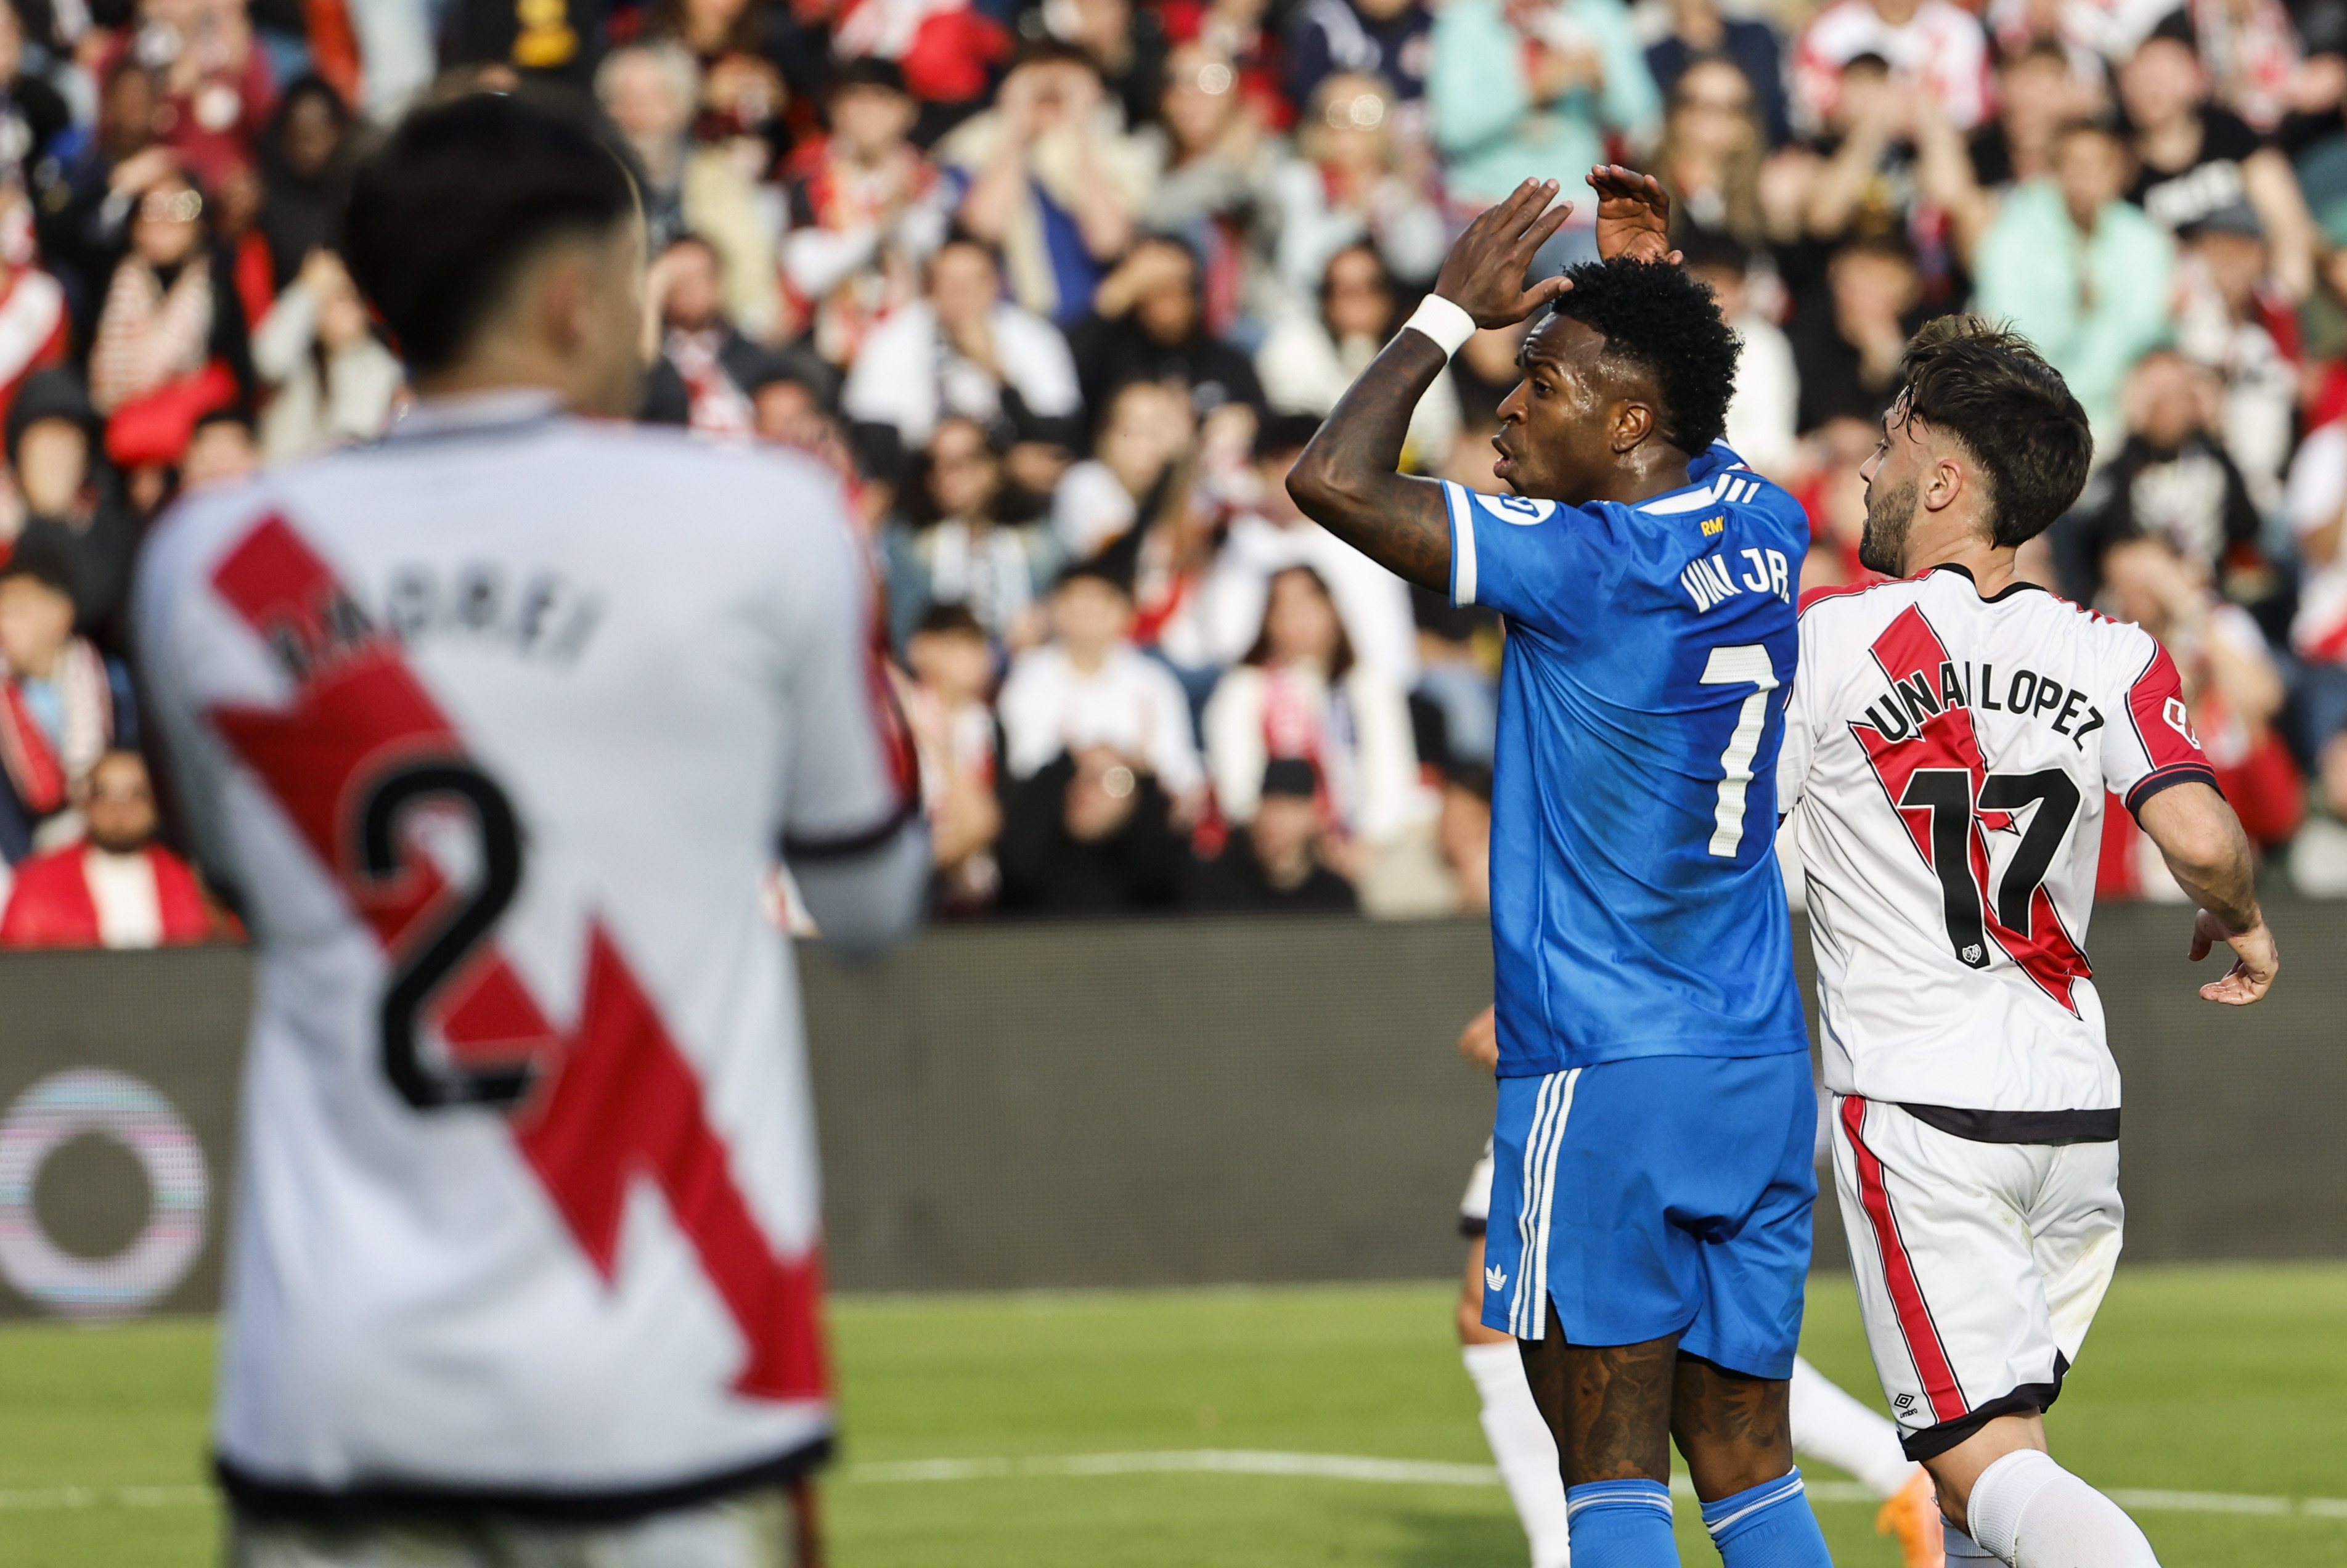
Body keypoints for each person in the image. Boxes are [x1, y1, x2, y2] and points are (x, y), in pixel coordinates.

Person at [132, 91, 926, 1565]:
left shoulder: (212, 561)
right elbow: (872, 899)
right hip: (658, 1378)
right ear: (577, 297)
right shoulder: (763, 524)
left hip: (329, 1390)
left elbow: (246, 878)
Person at [1286, 168, 1832, 1565]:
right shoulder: (1765, 529)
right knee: (1753, 1472)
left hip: (1606, 1067)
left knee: (1608, 1474)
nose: (1506, 407)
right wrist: (1636, 282)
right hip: (1757, 1063)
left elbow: (1331, 477)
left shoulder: (1576, 563)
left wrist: (1438, 315)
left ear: (1632, 423)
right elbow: (1683, 406)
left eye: (1540, 386)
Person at [1778, 315, 2278, 1566]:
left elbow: (1717, 845)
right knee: (1982, 1495)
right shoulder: (2105, 650)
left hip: (1918, 1109)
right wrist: (2242, 924)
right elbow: (2206, 839)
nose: (1865, 471)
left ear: (1942, 482)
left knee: (1986, 1470)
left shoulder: (1831, 640)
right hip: (2068, 1121)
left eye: (1890, 445)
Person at [1448, 1004, 1949, 1568]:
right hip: (1741, 1054)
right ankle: (1896, 1469)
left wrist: (1547, 999)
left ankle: (1555, 1550)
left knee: (1591, 1389)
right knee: (1714, 1374)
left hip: (1603, 1049)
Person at [0, 748, 215, 948]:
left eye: (135, 795)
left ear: (157, 806)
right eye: (104, 794)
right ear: (85, 803)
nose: (119, 810)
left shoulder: (191, 882)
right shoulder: (38, 884)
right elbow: (16, 973)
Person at [1183, 755, 1360, 910]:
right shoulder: (1216, 884)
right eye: (1270, 808)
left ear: (1312, 817)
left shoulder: (1334, 895)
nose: (1274, 822)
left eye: (1287, 810)